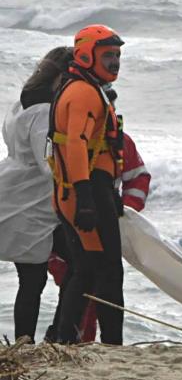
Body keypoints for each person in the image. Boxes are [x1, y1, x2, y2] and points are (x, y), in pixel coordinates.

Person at [49, 24, 126, 345]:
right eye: (108, 55)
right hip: (85, 190)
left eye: (118, 55)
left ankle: (65, 338)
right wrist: (87, 198)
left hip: (89, 188)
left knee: (89, 269)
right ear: (85, 55)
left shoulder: (87, 88)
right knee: (106, 271)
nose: (115, 62)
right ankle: (111, 345)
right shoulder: (82, 93)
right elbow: (77, 145)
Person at [47, 120, 150, 342]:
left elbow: (139, 178)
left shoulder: (120, 142)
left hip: (104, 223)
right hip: (66, 227)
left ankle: (100, 344)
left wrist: (125, 210)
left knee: (102, 284)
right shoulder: (66, 143)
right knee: (77, 283)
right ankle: (71, 341)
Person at [0, 46, 73, 343]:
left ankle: (32, 340)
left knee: (34, 278)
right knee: (40, 277)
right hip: (33, 200)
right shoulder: (44, 110)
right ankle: (39, 339)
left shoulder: (20, 103)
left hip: (15, 189)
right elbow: (48, 162)